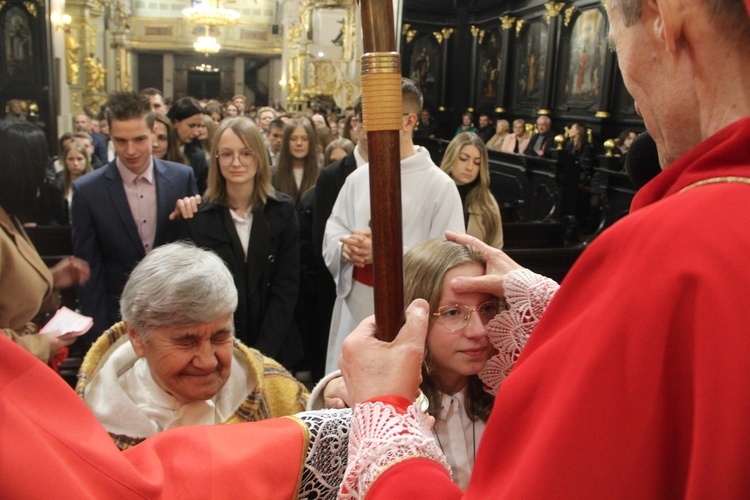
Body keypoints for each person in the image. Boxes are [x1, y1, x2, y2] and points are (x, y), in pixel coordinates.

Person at [338, 0, 750, 497]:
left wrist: (385, 414)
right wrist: (565, 312)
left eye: (616, 44)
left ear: (666, 16)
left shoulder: (673, 252)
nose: (631, 92)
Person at [310, 238, 501, 490]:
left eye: (487, 308)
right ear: (414, 316)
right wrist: (332, 390)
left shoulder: (507, 392)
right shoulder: (384, 412)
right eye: (453, 313)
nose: (479, 331)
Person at [78, 242, 308, 450]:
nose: (207, 360)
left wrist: (332, 397)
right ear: (137, 338)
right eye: (186, 341)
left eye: (219, 337)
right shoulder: (91, 427)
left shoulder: (273, 390)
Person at [323, 78, 465, 374]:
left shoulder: (440, 186)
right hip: (354, 303)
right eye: (366, 120)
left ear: (408, 121)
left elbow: (450, 261)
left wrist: (383, 254)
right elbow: (333, 230)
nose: (368, 129)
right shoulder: (358, 178)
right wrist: (346, 247)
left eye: (379, 119)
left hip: (407, 314)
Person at [72, 91, 199, 349]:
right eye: (121, 140)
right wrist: (100, 337)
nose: (130, 150)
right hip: (116, 318)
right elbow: (89, 271)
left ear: (154, 132)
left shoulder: (181, 178)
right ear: (109, 135)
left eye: (139, 139)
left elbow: (193, 253)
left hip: (176, 314)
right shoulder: (87, 191)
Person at [179, 117, 304, 369]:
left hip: (274, 347)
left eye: (246, 153)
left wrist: (261, 355)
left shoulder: (282, 210)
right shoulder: (198, 216)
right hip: (217, 349)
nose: (236, 162)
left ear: (259, 157)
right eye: (226, 154)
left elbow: (286, 287)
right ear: (216, 159)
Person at [0, 121, 90, 362]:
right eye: (41, 166)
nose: (45, 177)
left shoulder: (9, 217)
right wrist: (40, 344)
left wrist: (51, 280)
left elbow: (12, 292)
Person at [440, 133, 503, 248]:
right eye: (463, 158)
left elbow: (496, 247)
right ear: (451, 157)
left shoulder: (487, 201)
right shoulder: (436, 191)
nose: (469, 167)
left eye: (477, 162)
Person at [273, 118, 320, 204]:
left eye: (304, 139)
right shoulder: (272, 174)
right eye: (293, 139)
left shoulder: (320, 175)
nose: (299, 143)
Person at [167, 97, 208, 194]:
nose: (196, 132)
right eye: (191, 125)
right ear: (175, 122)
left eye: (199, 126)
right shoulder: (160, 150)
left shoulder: (198, 156)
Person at [54, 142, 93, 222]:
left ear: (86, 160)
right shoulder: (57, 185)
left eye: (79, 159)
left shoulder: (96, 184)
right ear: (65, 161)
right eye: (71, 159)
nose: (75, 163)